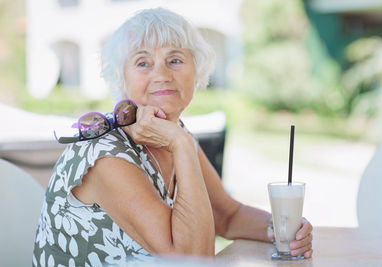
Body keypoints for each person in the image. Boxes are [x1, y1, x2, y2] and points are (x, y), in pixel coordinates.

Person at [32, 8, 313, 266]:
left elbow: (228, 216)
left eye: (175, 60)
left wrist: (284, 229)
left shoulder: (173, 133)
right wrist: (182, 145)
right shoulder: (106, 155)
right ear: (121, 78)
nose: (162, 74)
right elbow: (189, 259)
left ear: (197, 70)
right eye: (143, 63)